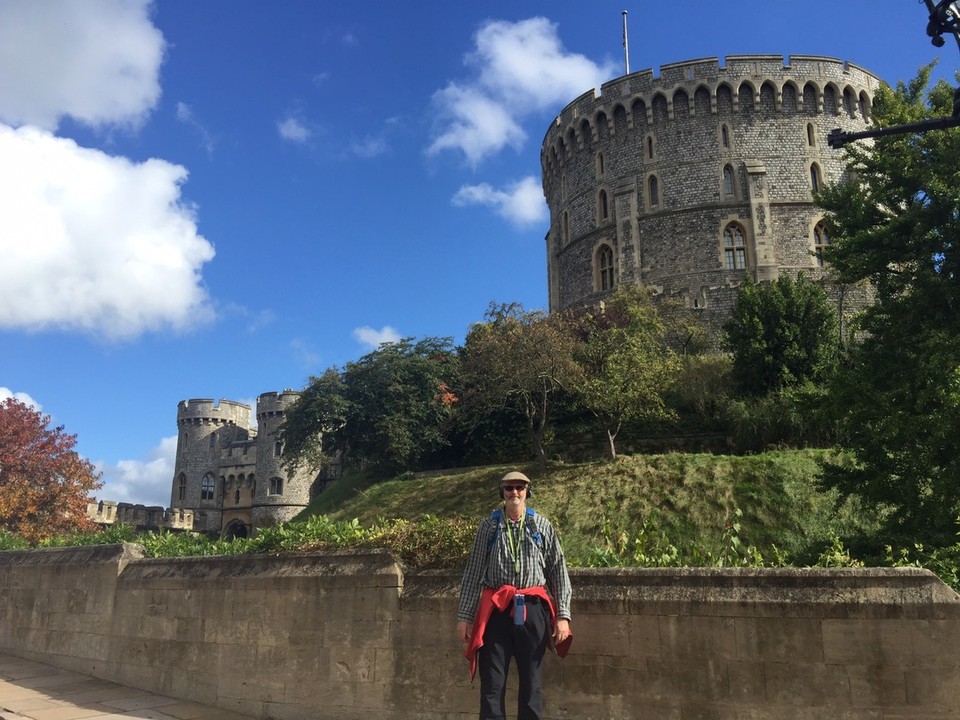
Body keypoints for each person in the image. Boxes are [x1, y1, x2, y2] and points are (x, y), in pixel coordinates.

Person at [457, 471, 572, 720]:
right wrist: (465, 616)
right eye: (509, 488)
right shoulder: (489, 527)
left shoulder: (541, 526)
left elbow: (557, 570)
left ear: (527, 492)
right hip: (498, 611)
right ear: (502, 493)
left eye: (520, 488)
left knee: (532, 684)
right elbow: (473, 571)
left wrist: (563, 615)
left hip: (532, 611)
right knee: (493, 684)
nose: (514, 493)